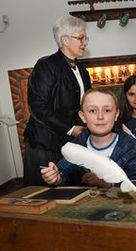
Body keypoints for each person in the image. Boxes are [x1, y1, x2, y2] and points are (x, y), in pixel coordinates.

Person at [24, 16, 91, 186]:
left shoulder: (83, 70)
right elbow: (37, 106)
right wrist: (70, 129)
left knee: (70, 190)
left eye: (86, 38)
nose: (85, 43)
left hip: (70, 144)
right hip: (45, 144)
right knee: (43, 193)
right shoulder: (46, 65)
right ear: (64, 40)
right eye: (81, 38)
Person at [41, 87, 136, 188]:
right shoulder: (77, 146)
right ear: (83, 116)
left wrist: (108, 184)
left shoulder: (130, 148)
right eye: (93, 111)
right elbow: (64, 173)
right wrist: (56, 178)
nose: (100, 117)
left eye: (107, 110)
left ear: (116, 115)